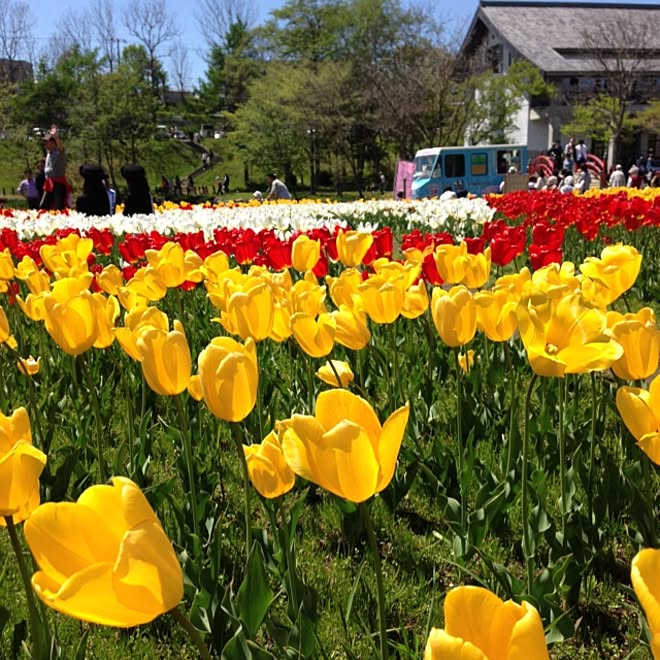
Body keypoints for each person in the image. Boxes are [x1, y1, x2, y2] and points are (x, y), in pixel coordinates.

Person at [40, 127, 68, 210]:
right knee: (43, 206)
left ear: (53, 142)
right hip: (49, 182)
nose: (45, 144)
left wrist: (56, 138)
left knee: (58, 206)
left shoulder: (58, 152)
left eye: (47, 142)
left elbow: (61, 148)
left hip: (58, 183)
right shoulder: (49, 153)